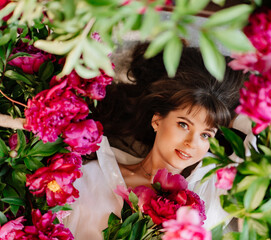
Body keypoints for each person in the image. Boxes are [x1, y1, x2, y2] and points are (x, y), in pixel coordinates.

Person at [63, 43, 246, 239]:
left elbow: (263, 136)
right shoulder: (88, 178)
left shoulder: (216, 186)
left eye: (205, 135)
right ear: (157, 120)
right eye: (184, 125)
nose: (192, 143)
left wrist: (231, 115)